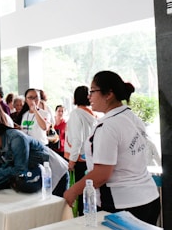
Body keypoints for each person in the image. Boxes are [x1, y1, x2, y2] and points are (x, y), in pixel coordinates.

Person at [64, 71, 160, 225]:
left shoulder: (107, 126)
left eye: (93, 91)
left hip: (123, 206)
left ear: (108, 94)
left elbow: (102, 174)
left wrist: (73, 191)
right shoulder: (131, 117)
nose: (89, 97)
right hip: (149, 198)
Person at [0, 120, 68, 196]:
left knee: (55, 212)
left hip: (54, 171)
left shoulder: (16, 139)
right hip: (37, 174)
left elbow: (20, 170)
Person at [64, 86, 97, 216]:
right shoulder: (92, 115)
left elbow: (77, 140)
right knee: (87, 195)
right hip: (88, 159)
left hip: (77, 160)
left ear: (75, 97)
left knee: (79, 194)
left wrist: (72, 160)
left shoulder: (76, 114)